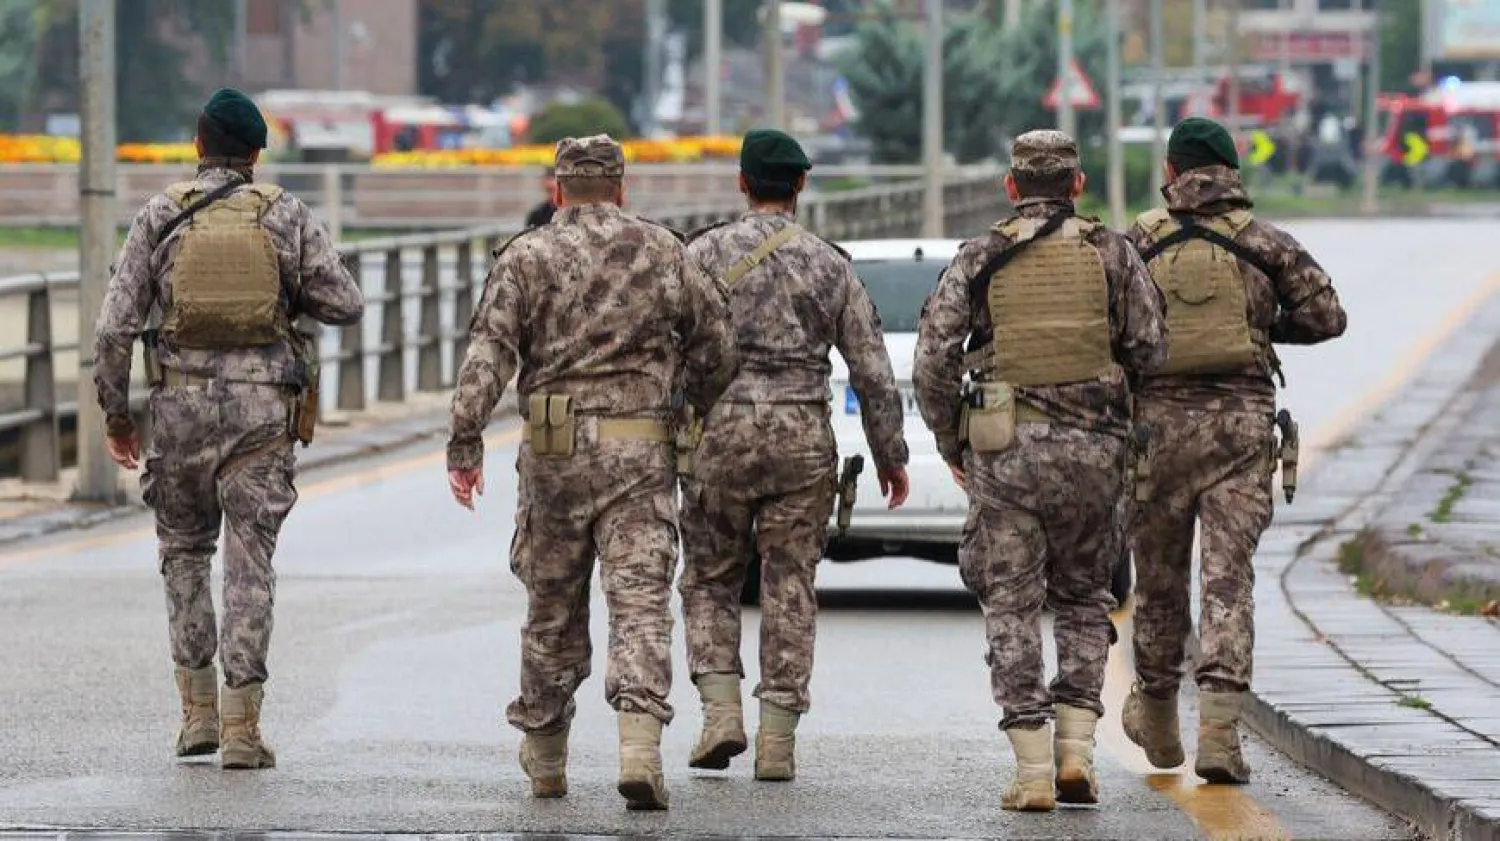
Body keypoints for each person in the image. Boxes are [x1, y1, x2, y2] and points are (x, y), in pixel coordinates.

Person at [446, 134, 739, 811]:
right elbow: (719, 343)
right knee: (639, 603)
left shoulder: (526, 255)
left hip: (554, 456)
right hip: (639, 452)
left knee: (551, 606)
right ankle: (639, 749)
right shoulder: (663, 250)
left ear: (557, 190)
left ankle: (547, 758)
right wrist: (688, 401)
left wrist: (465, 442)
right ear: (621, 187)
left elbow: (489, 355)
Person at [93, 87, 365, 770]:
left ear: (196, 145)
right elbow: (346, 303)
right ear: (255, 154)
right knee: (251, 563)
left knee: (184, 555)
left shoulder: (159, 216)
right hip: (261, 418)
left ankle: (196, 718)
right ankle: (244, 729)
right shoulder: (284, 215)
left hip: (178, 410)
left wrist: (118, 415)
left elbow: (113, 327)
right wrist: (287, 289)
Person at [912, 130, 1167, 811]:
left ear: (1011, 185)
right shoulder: (1113, 252)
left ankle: (1030, 768)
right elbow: (1150, 345)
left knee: (1011, 602)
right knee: (1085, 597)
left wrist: (950, 443)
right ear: (1078, 184)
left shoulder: (982, 256)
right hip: (1095, 453)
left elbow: (934, 359)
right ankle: (1076, 751)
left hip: (1006, 452)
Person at [677, 129, 911, 782]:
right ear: (800, 184)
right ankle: (777, 738)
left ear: (742, 182)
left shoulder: (701, 256)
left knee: (710, 578)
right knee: (789, 584)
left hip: (719, 438)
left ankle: (721, 710)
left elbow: (669, 353)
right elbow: (870, 367)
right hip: (801, 442)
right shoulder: (829, 264)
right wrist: (890, 454)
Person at [1121, 117, 1346, 784]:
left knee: (1158, 578)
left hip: (1154, 432)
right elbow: (1327, 315)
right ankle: (1218, 733)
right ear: (1231, 172)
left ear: (1172, 171)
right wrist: (1260, 323)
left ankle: (1159, 719)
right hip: (1241, 431)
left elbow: (1107, 322)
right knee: (1226, 580)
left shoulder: (1137, 242)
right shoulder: (1266, 241)